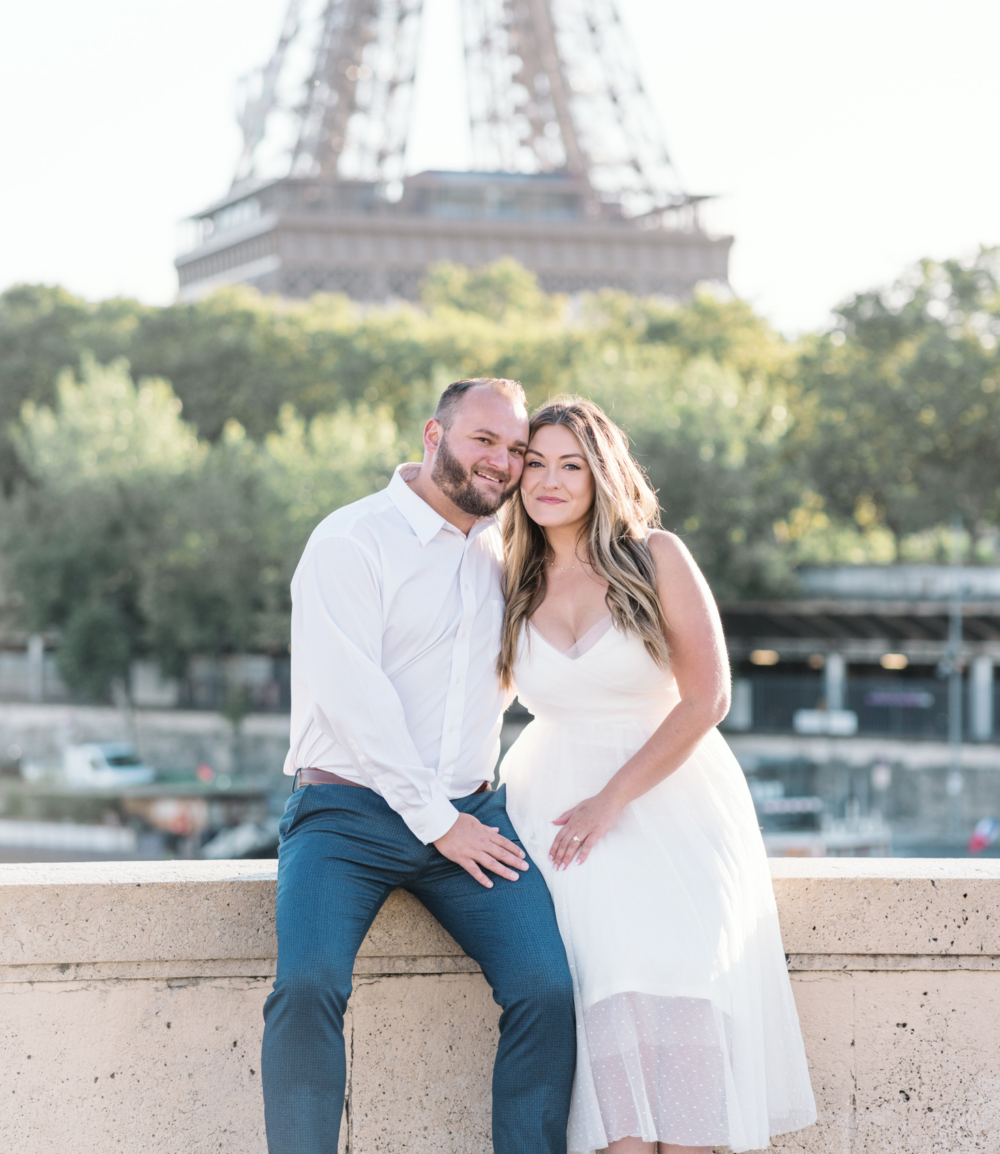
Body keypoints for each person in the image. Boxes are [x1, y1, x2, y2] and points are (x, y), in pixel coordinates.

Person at [260, 377, 576, 1154]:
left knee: (546, 990)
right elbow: (354, 703)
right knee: (307, 987)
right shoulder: (349, 540)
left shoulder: (508, 550)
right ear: (433, 438)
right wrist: (439, 826)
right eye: (483, 442)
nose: (502, 463)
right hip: (348, 817)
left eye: (516, 450)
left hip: (472, 811)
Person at [499, 397, 817, 1154]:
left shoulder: (656, 555)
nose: (549, 480)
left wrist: (611, 801)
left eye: (570, 464)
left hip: (671, 810)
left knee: (681, 987)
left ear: (601, 473)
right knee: (604, 1002)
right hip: (555, 821)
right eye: (535, 462)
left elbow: (709, 696)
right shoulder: (508, 575)